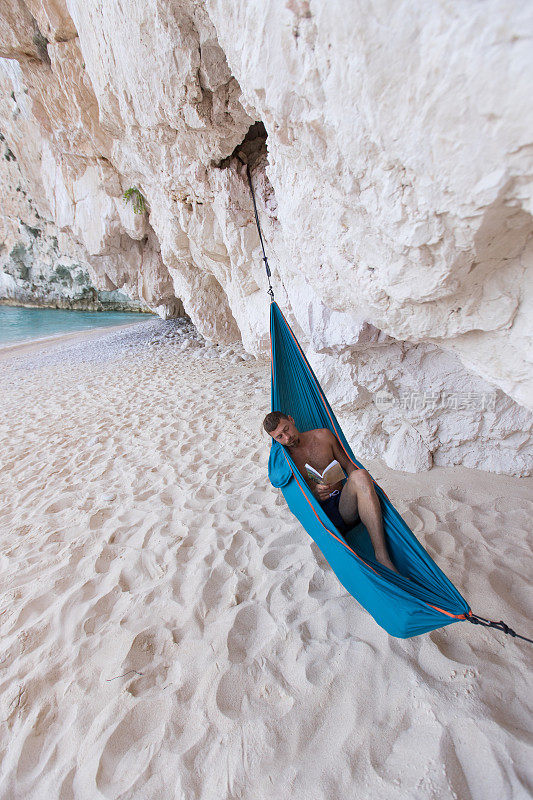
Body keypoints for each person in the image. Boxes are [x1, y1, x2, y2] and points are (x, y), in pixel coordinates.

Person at [264, 411, 398, 572]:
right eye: (279, 437)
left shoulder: (324, 436)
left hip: (345, 506)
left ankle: (382, 556)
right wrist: (315, 495)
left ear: (292, 420)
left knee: (360, 475)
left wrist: (358, 486)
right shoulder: (285, 461)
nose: (287, 438)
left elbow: (348, 464)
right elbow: (292, 496)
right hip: (323, 519)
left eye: (286, 429)